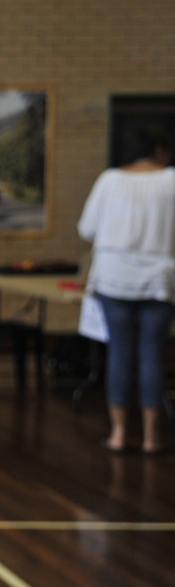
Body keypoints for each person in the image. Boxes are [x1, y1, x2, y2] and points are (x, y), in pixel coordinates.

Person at [78, 126, 175, 455]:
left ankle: (118, 434)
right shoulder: (171, 181)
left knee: (119, 352)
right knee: (152, 354)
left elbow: (86, 228)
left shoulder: (110, 180)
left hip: (113, 277)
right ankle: (151, 437)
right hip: (159, 280)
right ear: (159, 151)